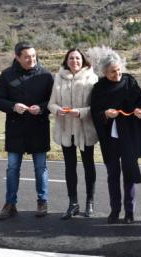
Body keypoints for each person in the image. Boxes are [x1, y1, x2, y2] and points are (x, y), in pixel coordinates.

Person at [90, 47, 141, 224]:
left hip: (128, 135)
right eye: (112, 72)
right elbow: (95, 112)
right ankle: (115, 210)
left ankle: (129, 212)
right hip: (110, 138)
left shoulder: (129, 82)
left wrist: (140, 112)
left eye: (118, 70)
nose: (116, 74)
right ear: (104, 72)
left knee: (129, 173)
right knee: (112, 175)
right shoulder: (99, 88)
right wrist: (105, 114)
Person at [0, 41, 54, 220]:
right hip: (15, 128)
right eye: (27, 57)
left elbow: (53, 102)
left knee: (40, 167)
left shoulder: (46, 75)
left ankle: (42, 202)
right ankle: (10, 204)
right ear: (17, 57)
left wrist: (42, 108)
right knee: (12, 168)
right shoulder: (6, 75)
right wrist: (13, 106)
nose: (31, 59)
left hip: (39, 127)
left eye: (34, 56)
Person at [48, 48, 98, 219]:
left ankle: (89, 202)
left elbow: (97, 106)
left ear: (83, 60)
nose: (74, 61)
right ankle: (73, 204)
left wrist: (80, 112)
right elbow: (51, 103)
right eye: (71, 58)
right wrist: (58, 110)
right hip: (65, 129)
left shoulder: (92, 77)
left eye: (77, 58)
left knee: (88, 166)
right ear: (66, 60)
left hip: (85, 128)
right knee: (70, 167)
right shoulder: (58, 77)